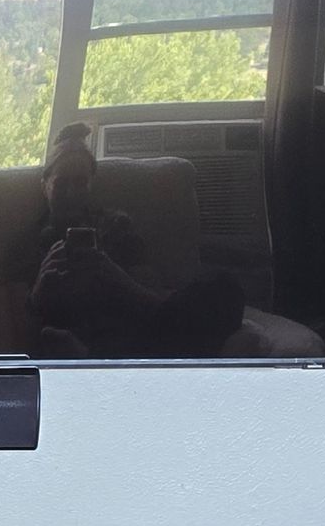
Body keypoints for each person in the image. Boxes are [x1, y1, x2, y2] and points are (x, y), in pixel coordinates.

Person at [27, 121, 246, 360]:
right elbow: (15, 324)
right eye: (61, 183)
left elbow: (154, 302)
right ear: (44, 186)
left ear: (91, 185)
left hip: (135, 332)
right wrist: (38, 292)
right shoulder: (29, 243)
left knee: (224, 286)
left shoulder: (116, 225)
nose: (71, 192)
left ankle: (95, 358)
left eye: (80, 182)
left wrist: (112, 273)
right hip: (72, 335)